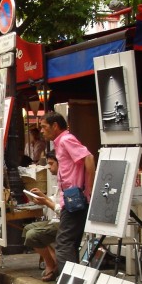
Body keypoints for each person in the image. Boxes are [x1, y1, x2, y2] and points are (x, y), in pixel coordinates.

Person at [39, 112, 95, 269]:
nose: (41, 131)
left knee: (63, 244)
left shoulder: (66, 139)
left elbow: (88, 158)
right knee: (70, 243)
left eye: (44, 127)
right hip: (71, 199)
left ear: (55, 126)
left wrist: (88, 188)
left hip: (75, 199)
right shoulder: (61, 142)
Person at [26, 152, 61, 281]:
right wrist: (43, 197)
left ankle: (52, 264)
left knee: (33, 235)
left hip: (64, 221)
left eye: (51, 164)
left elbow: (62, 209)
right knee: (27, 229)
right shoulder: (60, 179)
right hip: (56, 219)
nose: (48, 167)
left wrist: (46, 201)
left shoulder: (68, 180)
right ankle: (51, 263)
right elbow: (56, 200)